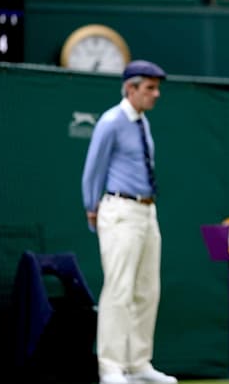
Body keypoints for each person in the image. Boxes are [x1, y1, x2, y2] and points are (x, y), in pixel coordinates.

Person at [81, 60, 177, 384]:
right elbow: (93, 168)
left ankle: (138, 364)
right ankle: (110, 366)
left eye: (156, 87)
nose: (156, 94)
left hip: (147, 213)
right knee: (119, 290)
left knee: (148, 290)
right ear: (130, 89)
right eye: (149, 88)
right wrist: (91, 208)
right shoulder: (110, 121)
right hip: (120, 211)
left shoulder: (142, 122)